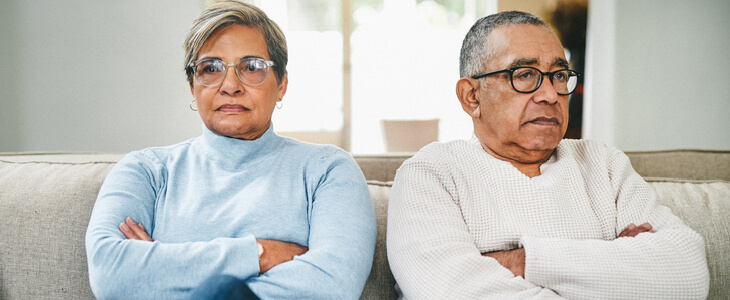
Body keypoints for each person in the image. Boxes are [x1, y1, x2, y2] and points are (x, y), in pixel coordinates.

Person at [386, 11, 709, 299]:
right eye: (524, 74)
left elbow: (688, 275)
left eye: (558, 75)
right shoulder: (432, 172)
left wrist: (519, 260)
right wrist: (611, 264)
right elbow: (447, 290)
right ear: (472, 96)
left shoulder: (603, 163)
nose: (550, 94)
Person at [85, 1, 376, 299]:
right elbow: (110, 274)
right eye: (211, 68)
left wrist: (163, 269)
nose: (230, 85)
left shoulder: (327, 170)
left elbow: (332, 285)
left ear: (282, 84)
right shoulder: (145, 171)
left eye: (252, 67)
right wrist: (259, 254)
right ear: (192, 85)